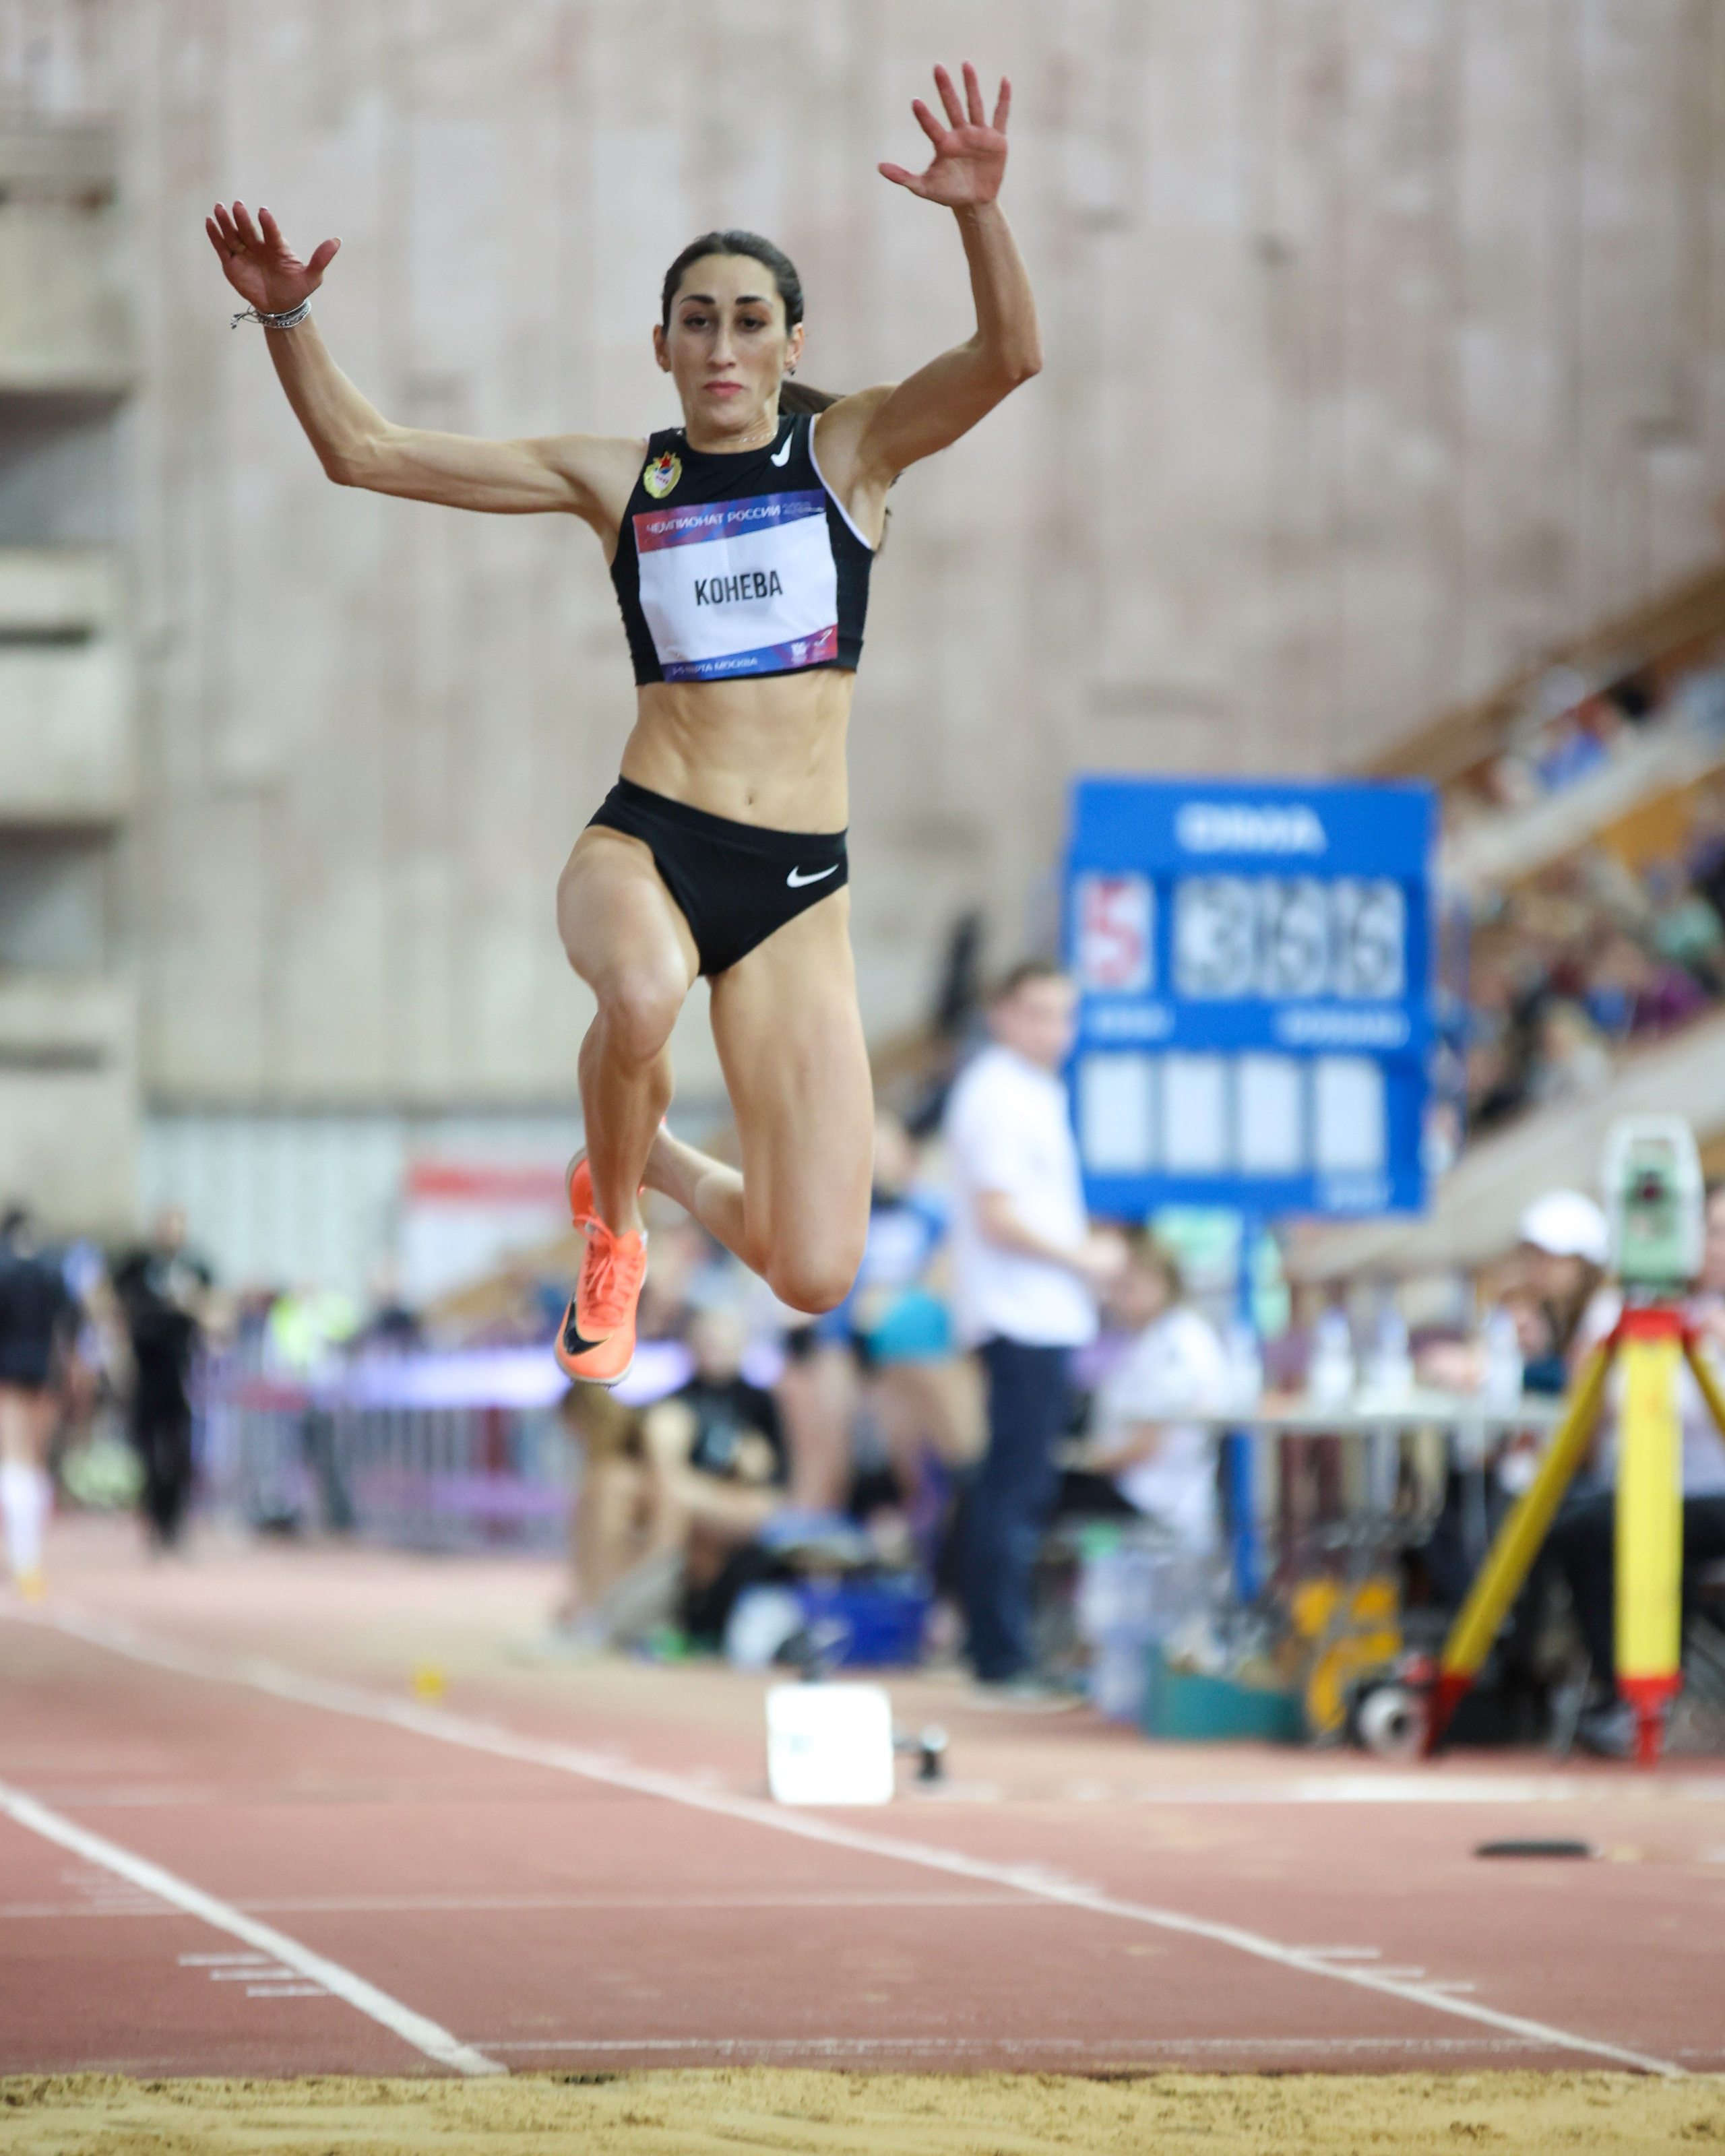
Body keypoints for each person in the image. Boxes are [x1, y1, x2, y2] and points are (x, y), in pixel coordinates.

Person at [206, 60, 1041, 1389]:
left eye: (748, 321)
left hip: (795, 887)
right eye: (695, 322)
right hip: (647, 841)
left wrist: (974, 214)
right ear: (661, 344)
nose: (721, 347)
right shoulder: (619, 478)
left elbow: (1008, 357)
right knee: (641, 991)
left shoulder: (852, 458)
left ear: (790, 345)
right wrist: (292, 315)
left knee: (813, 1267)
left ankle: (646, 1151)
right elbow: (363, 452)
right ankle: (618, 1234)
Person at [943, 961, 1125, 1695]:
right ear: (1002, 1014)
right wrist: (1082, 1255)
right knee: (1013, 1488)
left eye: (1064, 1015)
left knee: (1011, 1481)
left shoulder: (1034, 1092)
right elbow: (998, 1210)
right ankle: (1000, 1652)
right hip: (1019, 1313)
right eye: (1039, 1013)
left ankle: (984, 1637)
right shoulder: (996, 1094)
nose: (1055, 1030)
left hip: (1040, 1311)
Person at [1548, 1180, 1725, 1755]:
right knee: (1581, 1525)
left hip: (1712, 1496)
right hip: (1637, 1492)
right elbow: (1582, 1426)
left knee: (1640, 1530)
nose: (1718, 1247)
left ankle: (1653, 1693)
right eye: (1713, 1231)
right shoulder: (1622, 1307)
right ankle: (1627, 1693)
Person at [1084, 1234, 1229, 1552]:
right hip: (1140, 1492)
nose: (1117, 1297)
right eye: (1116, 1286)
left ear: (1162, 1283)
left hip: (1158, 1500)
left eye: (1129, 1286)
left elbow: (1152, 1442)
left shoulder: (1177, 1343)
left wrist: (1087, 1461)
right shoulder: (1146, 1339)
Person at [112, 1209, 214, 1551]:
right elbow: (111, 1303)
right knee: (147, 1450)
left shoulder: (195, 1266)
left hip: (181, 1370)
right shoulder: (138, 1265)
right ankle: (153, 1518)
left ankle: (175, 1520)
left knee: (180, 1449)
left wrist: (192, 1304)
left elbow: (216, 1311)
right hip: (145, 1369)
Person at [0, 1207, 76, 1597]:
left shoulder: (4, 1266)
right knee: (32, 1459)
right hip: (42, 1369)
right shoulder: (52, 1268)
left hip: (8, 1372)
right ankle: (27, 1559)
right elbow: (71, 1322)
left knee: (14, 1457)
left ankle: (23, 1556)